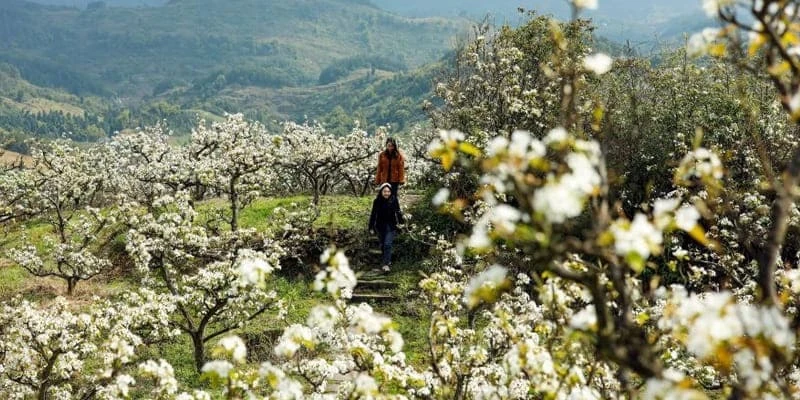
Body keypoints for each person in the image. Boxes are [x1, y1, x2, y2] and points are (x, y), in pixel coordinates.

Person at [368, 182, 404, 272]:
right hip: (380, 226)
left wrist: (401, 224)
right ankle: (387, 261)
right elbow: (373, 214)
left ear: (391, 192)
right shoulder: (377, 201)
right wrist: (371, 227)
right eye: (385, 191)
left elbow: (398, 212)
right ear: (381, 192)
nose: (387, 193)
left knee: (388, 244)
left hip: (391, 226)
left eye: (388, 191)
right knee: (383, 245)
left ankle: (386, 264)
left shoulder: (394, 200)